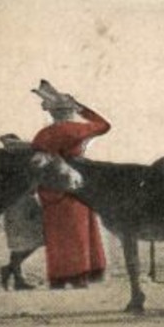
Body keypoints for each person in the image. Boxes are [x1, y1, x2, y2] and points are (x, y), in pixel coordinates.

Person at [30, 82, 111, 289]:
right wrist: (81, 108)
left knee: (57, 234)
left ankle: (59, 278)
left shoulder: (43, 134)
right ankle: (79, 278)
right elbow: (104, 125)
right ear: (70, 111)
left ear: (52, 113)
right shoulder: (78, 129)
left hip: (50, 187)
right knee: (79, 232)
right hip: (76, 184)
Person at [0, 134, 43, 290]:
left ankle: (14, 274)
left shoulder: (16, 162)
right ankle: (14, 273)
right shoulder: (13, 163)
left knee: (27, 241)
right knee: (30, 240)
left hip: (22, 202)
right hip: (19, 203)